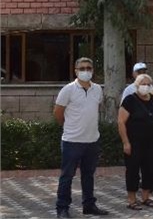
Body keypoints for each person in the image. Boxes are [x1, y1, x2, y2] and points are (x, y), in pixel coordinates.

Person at [53, 57, 108, 218]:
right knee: (66, 176)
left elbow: (97, 108)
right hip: (71, 141)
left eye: (89, 68)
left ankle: (89, 205)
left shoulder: (97, 89)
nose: (86, 71)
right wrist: (69, 127)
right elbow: (58, 113)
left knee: (88, 175)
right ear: (76, 71)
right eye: (82, 68)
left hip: (92, 141)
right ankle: (62, 208)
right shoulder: (68, 90)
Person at [118, 74, 153, 210]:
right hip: (134, 142)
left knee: (150, 169)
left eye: (148, 84)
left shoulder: (152, 99)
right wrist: (125, 142)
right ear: (136, 85)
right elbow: (121, 122)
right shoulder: (129, 100)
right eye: (143, 83)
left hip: (152, 141)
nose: (145, 86)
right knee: (133, 170)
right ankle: (131, 199)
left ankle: (146, 196)